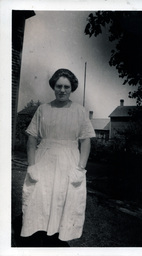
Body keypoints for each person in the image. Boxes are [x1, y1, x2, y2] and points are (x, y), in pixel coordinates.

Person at [20, 68, 95, 247]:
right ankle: (39, 236)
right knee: (39, 197)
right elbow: (31, 139)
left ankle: (56, 239)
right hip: (44, 158)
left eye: (66, 87)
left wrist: (80, 168)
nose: (62, 90)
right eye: (59, 86)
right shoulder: (43, 109)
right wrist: (32, 166)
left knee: (64, 199)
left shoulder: (80, 111)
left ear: (72, 88)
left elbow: (85, 142)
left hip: (69, 160)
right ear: (53, 86)